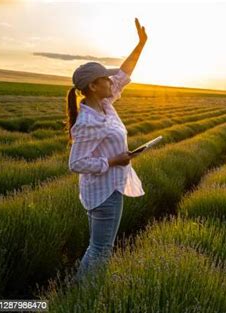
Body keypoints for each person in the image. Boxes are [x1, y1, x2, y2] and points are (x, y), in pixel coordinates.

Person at [65, 18, 148, 282]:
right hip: (104, 193)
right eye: (106, 78)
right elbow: (76, 163)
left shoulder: (105, 103)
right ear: (92, 86)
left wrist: (141, 44)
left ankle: (78, 292)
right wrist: (114, 160)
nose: (112, 81)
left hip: (107, 188)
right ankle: (80, 298)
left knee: (97, 247)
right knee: (101, 249)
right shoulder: (89, 120)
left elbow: (123, 74)